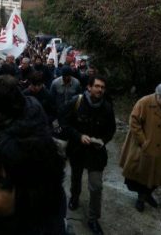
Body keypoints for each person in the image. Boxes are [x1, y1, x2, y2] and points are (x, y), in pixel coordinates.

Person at [61, 75, 116, 235]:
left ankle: (93, 219)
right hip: (77, 150)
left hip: (96, 153)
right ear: (89, 87)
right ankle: (75, 196)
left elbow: (111, 130)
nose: (100, 90)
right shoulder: (76, 103)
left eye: (102, 87)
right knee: (76, 177)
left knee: (96, 186)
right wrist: (78, 136)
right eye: (97, 86)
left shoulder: (107, 107)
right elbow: (64, 123)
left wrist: (103, 140)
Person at [119, 83, 161, 212]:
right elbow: (134, 121)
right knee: (141, 174)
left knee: (158, 175)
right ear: (158, 95)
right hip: (145, 145)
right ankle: (141, 197)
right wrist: (143, 141)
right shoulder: (144, 102)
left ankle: (147, 194)